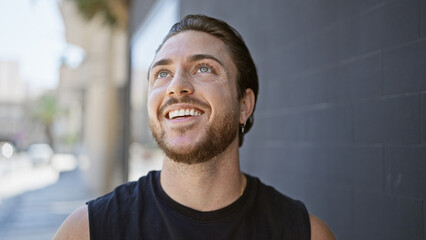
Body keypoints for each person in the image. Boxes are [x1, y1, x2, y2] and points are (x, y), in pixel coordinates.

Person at [54, 14, 336, 240]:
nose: (176, 87)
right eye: (162, 73)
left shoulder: (306, 233)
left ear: (244, 105)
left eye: (204, 68)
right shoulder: (88, 230)